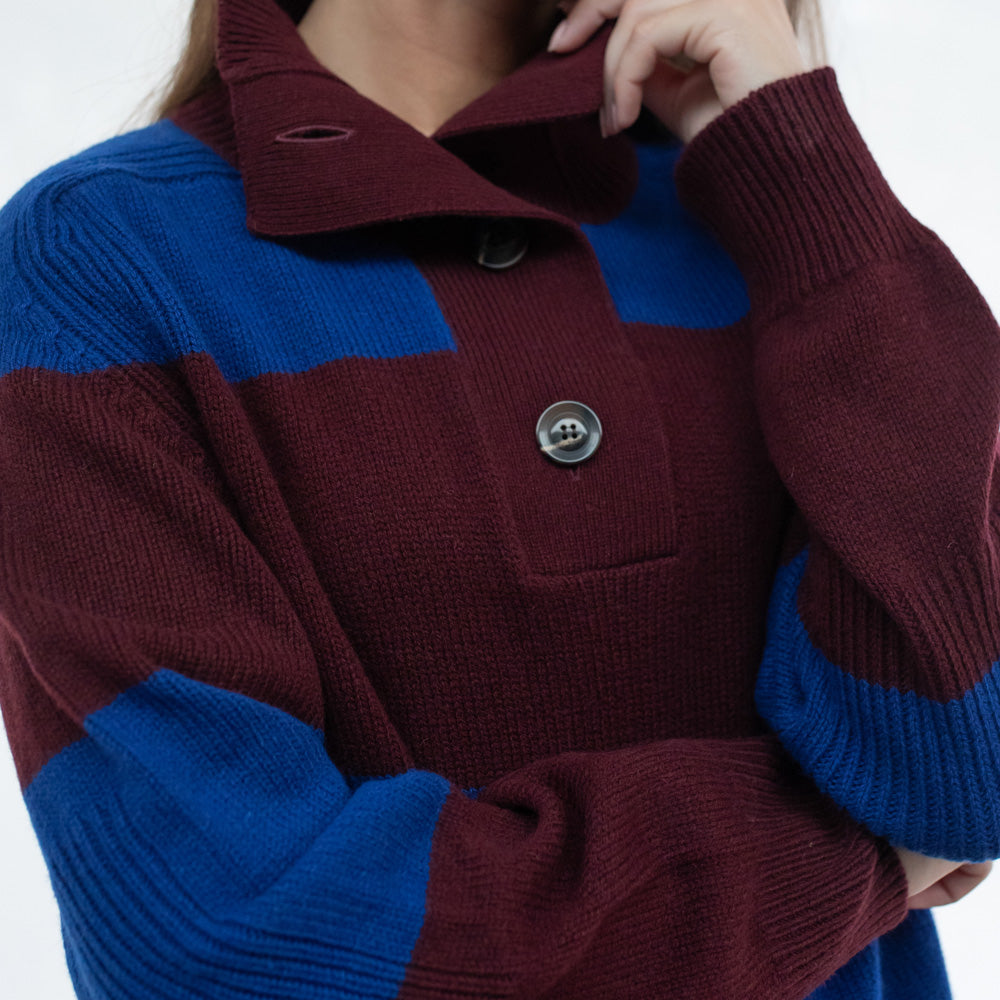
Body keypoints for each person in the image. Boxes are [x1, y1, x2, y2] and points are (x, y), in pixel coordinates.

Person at [0, 0, 997, 996]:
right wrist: (846, 860)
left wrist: (800, 159)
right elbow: (224, 945)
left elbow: (969, 768)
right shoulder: (90, 265)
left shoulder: (780, 216)